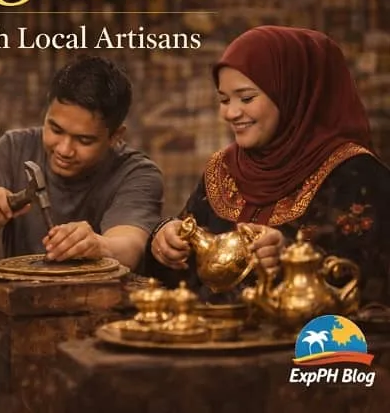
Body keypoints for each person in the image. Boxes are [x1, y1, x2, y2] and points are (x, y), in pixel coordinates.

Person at [147, 26, 390, 304]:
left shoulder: (356, 175)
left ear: (292, 92)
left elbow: (372, 289)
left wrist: (289, 259)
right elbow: (186, 278)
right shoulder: (222, 169)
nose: (230, 113)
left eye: (246, 98)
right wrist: (164, 240)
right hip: (213, 340)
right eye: (224, 100)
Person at [0, 55, 164, 270]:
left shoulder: (137, 173)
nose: (64, 150)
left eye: (84, 140)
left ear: (116, 136)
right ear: (46, 114)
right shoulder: (15, 147)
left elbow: (129, 245)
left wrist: (100, 246)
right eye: (56, 130)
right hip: (21, 297)